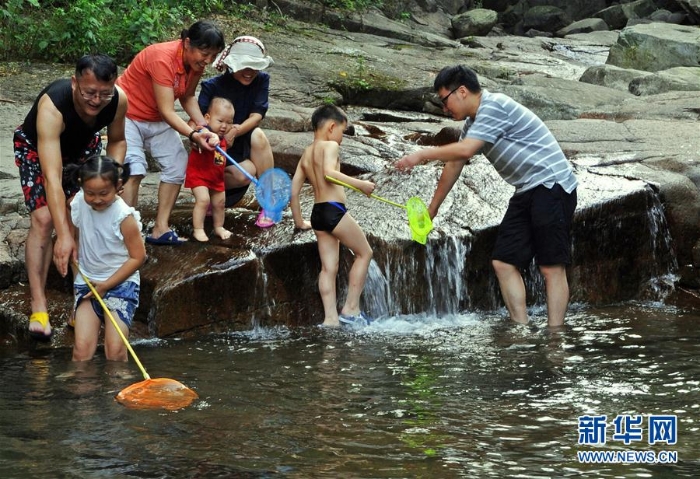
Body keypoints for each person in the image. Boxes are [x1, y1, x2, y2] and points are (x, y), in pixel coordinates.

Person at [396, 65, 578, 329]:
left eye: (445, 100)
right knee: (503, 262)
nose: (445, 109)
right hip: (527, 189)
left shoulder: (495, 105)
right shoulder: (472, 123)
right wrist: (432, 210)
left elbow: (466, 149)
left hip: (552, 185)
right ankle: (521, 330)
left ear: (462, 91)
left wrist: (421, 154)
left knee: (551, 267)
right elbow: (455, 163)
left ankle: (555, 336)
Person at [14, 54, 128, 341]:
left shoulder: (117, 100)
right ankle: (38, 304)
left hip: (82, 148)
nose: (96, 100)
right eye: (89, 92)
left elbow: (116, 140)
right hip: (36, 149)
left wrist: (114, 175)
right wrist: (61, 235)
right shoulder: (53, 105)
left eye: (104, 93)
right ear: (75, 82)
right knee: (44, 218)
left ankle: (82, 304)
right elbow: (53, 178)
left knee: (83, 214)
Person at [116, 20, 225, 245]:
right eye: (204, 53)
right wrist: (193, 135)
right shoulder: (162, 58)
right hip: (128, 115)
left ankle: (160, 228)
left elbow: (187, 97)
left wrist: (203, 127)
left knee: (177, 164)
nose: (207, 61)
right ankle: (126, 236)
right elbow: (167, 110)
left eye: (213, 56)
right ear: (187, 43)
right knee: (134, 170)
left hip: (155, 119)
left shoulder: (195, 65)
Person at [291, 105, 375, 328]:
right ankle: (351, 309)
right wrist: (361, 185)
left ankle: (330, 319)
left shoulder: (306, 155)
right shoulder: (330, 146)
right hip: (334, 210)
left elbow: (294, 191)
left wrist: (299, 222)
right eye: (342, 131)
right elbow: (329, 173)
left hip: (317, 214)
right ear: (331, 126)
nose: (342, 139)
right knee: (364, 252)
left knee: (328, 268)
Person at [67, 156, 146, 361]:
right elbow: (72, 224)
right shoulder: (78, 202)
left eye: (104, 193)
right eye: (90, 193)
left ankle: (119, 390)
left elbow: (138, 257)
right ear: (81, 185)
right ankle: (81, 391)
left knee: (115, 349)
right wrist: (71, 243)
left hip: (120, 285)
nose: (96, 199)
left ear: (118, 186)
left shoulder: (124, 216)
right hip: (88, 283)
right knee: (81, 349)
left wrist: (107, 284)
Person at [197, 35, 276, 228]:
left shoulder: (262, 80)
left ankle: (269, 204)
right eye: (244, 66)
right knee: (241, 173)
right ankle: (209, 197)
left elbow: (257, 115)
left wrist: (236, 130)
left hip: (242, 142)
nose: (249, 72)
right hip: (215, 149)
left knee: (258, 136)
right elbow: (198, 121)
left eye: (254, 67)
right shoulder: (212, 86)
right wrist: (213, 135)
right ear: (231, 64)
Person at [184, 97, 235, 242]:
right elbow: (203, 134)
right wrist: (211, 137)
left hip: (216, 177)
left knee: (220, 203)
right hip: (199, 175)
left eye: (229, 122)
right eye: (220, 121)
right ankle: (198, 229)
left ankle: (218, 227)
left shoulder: (223, 138)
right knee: (203, 200)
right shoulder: (204, 132)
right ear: (207, 118)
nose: (224, 126)